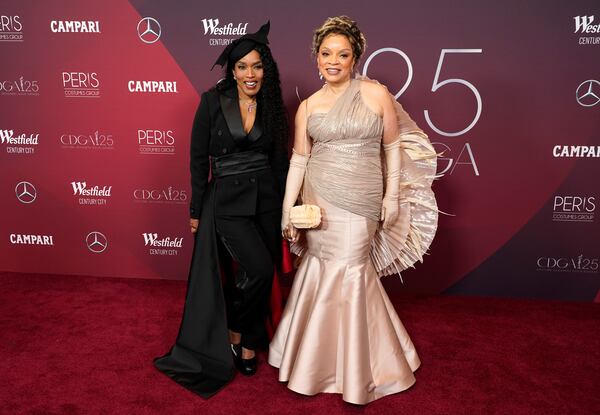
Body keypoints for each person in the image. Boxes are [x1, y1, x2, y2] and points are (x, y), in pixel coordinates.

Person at [268, 16, 438, 404]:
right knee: (322, 269)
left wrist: (391, 196)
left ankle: (358, 367)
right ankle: (317, 362)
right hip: (320, 200)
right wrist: (286, 210)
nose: (333, 61)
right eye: (326, 54)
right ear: (316, 58)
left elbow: (392, 147)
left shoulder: (376, 94)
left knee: (352, 270)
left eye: (342, 55)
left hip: (362, 202)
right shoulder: (308, 107)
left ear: (354, 58)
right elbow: (299, 160)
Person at [154, 21, 289, 398]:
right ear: (232, 69)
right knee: (255, 269)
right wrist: (197, 209)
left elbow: (280, 163)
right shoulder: (211, 101)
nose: (250, 74)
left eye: (257, 66)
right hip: (225, 201)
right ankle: (242, 339)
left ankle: (245, 333)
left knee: (259, 274)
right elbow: (199, 161)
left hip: (265, 200)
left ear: (267, 69)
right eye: (242, 66)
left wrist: (284, 210)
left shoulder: (275, 105)